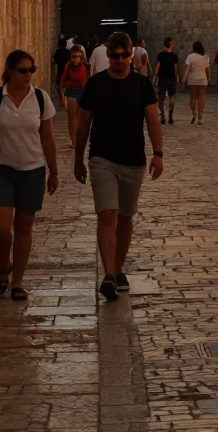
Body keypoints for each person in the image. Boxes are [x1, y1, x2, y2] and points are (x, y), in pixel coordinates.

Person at [74, 31, 163, 299]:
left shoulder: (142, 85)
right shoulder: (95, 84)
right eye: (115, 55)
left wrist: (158, 154)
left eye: (125, 55)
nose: (120, 60)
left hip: (133, 160)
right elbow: (83, 125)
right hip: (102, 158)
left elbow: (153, 120)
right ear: (108, 55)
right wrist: (78, 159)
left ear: (131, 55)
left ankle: (117, 267)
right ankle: (109, 274)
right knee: (107, 214)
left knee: (125, 217)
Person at [0, 49, 58, 301]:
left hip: (32, 170)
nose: (28, 74)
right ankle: (4, 264)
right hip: (1, 170)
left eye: (31, 69)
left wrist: (54, 171)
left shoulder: (41, 99)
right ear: (8, 72)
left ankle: (16, 281)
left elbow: (48, 139)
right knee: (1, 227)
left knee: (24, 227)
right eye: (22, 70)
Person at [60, 47, 90, 147]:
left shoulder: (84, 67)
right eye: (73, 57)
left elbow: (86, 82)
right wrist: (63, 96)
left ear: (80, 57)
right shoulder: (68, 66)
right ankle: (74, 141)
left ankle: (77, 139)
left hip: (81, 92)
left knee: (79, 117)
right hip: (71, 92)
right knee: (72, 117)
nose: (75, 59)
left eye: (77, 57)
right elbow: (62, 81)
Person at [183, 41, 210, 124]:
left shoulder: (190, 57)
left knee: (193, 97)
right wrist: (208, 79)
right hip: (203, 79)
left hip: (193, 79)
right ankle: (200, 117)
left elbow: (187, 69)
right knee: (201, 98)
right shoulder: (205, 57)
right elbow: (207, 70)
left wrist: (184, 79)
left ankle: (194, 113)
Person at [154, 37, 180, 124]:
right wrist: (178, 78)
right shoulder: (174, 56)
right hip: (171, 79)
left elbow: (157, 68)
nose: (174, 44)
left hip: (163, 79)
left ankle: (162, 116)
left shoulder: (161, 55)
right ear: (170, 44)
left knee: (161, 98)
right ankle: (170, 115)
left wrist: (154, 77)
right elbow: (176, 69)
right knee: (171, 97)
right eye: (172, 43)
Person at [52, 37, 72, 106]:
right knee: (65, 86)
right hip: (67, 72)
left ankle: (62, 100)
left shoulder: (57, 52)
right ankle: (65, 99)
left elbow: (54, 62)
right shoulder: (68, 52)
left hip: (60, 71)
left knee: (60, 87)